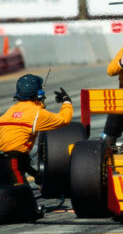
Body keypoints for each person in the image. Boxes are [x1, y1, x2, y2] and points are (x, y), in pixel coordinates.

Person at [0, 74, 73, 220]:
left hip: (5, 159)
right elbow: (64, 120)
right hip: (13, 162)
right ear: (39, 94)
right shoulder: (37, 114)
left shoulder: (10, 111)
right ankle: (31, 211)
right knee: (22, 193)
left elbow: (16, 153)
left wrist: (35, 174)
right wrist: (67, 102)